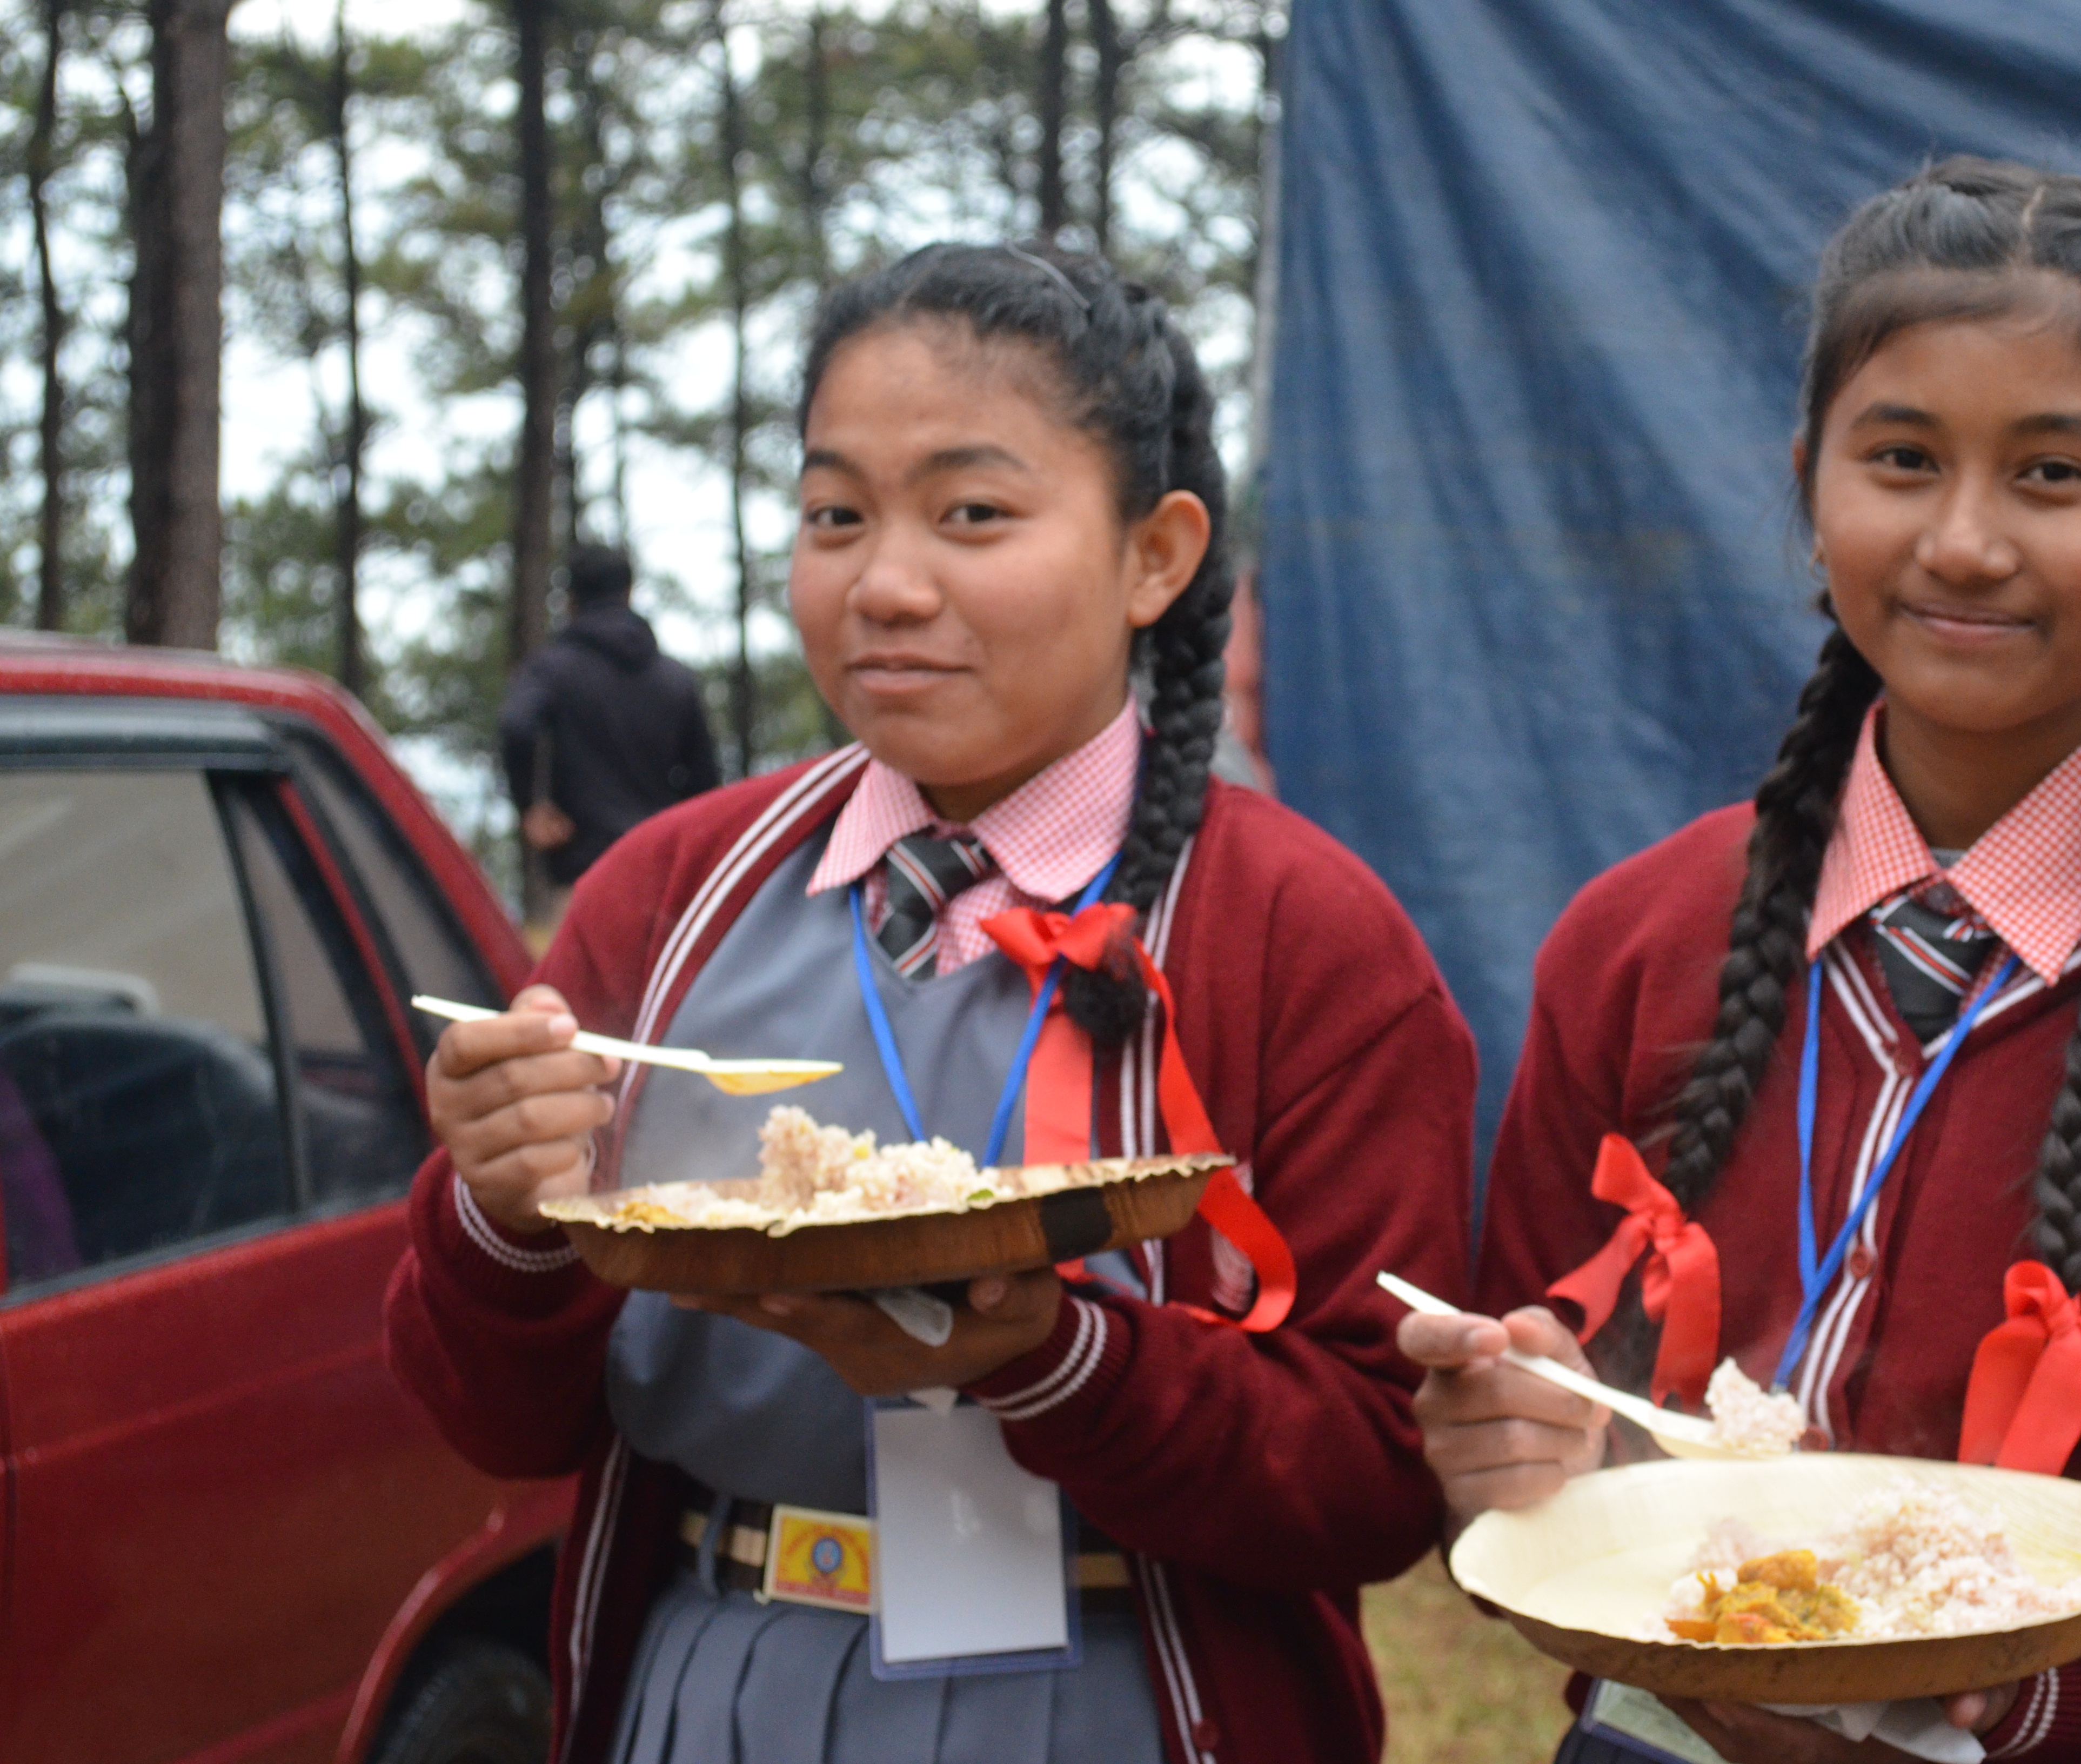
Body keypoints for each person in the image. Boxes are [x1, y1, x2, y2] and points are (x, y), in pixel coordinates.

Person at [1401, 159, 2081, 1764]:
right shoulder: (1632, 943)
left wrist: (2017, 1708)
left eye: (2052, 474)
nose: (1964, 541)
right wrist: (1509, 1447)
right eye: (1901, 459)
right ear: (1809, 483)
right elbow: (1529, 1480)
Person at [387, 243, 1475, 1764]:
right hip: (716, 1680)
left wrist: (1053, 1355)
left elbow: (1377, 1474)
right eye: (837, 515)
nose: (886, 584)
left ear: (1155, 554)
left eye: (973, 513)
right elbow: (499, 1422)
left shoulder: (1302, 939)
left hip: (1127, 1699)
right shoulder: (671, 894)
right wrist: (502, 1205)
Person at [499, 544, 722, 913]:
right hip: (662, 887)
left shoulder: (551, 670)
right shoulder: (677, 680)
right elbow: (706, 786)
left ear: (570, 599)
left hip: (584, 882)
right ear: (629, 592)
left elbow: (517, 726)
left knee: (571, 975)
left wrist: (532, 806)